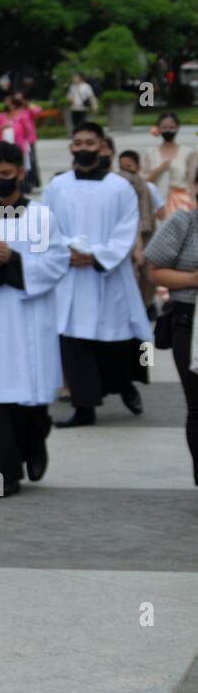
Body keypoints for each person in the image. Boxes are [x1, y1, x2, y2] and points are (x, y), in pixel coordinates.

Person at [0, 141, 69, 496]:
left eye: (6, 174)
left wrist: (17, 261)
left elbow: (56, 262)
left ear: (21, 173)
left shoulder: (42, 216)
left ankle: (35, 442)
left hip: (30, 316)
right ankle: (1, 475)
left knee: (29, 394)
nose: (0, 181)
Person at [46, 122, 151, 427]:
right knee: (74, 342)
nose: (83, 148)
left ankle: (125, 386)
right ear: (71, 148)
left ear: (103, 147)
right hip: (70, 275)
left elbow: (126, 229)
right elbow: (46, 224)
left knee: (114, 341)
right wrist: (67, 251)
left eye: (90, 143)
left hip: (107, 274)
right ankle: (84, 408)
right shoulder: (58, 186)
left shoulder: (119, 187)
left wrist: (96, 256)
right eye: (78, 142)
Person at [144, 176, 198, 484]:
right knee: (197, 406)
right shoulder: (184, 223)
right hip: (188, 323)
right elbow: (154, 271)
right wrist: (192, 280)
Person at [114, 146, 159, 318]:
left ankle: (147, 303)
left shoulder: (147, 187)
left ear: (138, 166)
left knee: (147, 274)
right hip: (126, 234)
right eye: (122, 167)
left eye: (130, 167)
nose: (127, 173)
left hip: (147, 235)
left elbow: (160, 209)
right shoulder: (118, 186)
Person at [143, 112, 197, 219]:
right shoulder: (150, 152)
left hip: (183, 205)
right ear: (159, 129)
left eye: (172, 127)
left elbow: (192, 180)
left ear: (177, 128)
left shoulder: (188, 152)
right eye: (164, 127)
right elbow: (146, 182)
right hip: (158, 205)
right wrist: (160, 169)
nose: (168, 130)